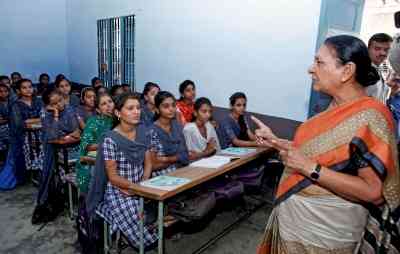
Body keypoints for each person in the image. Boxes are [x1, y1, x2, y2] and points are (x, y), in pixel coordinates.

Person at [255, 35, 400, 253]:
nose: (310, 69)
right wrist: (277, 141)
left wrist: (307, 167)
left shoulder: (371, 116)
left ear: (347, 71)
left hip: (325, 235)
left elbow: (373, 192)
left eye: (319, 62)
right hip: (294, 225)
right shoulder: (332, 108)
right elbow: (318, 153)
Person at [92, 93, 157, 248]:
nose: (137, 112)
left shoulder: (143, 131)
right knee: (138, 216)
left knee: (160, 209)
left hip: (142, 183)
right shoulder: (110, 139)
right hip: (119, 189)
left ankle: (148, 239)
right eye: (130, 108)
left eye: (138, 108)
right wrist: (134, 188)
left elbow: (148, 162)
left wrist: (143, 184)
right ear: (118, 113)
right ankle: (145, 242)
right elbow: (113, 177)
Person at [32, 89, 80, 224]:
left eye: (61, 100)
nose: (60, 104)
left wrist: (68, 134)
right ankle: (49, 199)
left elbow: (75, 130)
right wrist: (56, 115)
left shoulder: (69, 109)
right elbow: (51, 136)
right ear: (49, 105)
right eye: (55, 103)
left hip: (69, 146)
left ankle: (71, 193)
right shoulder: (44, 113)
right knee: (48, 173)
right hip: (51, 147)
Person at [76, 93, 114, 194]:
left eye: (110, 102)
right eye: (104, 104)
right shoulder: (93, 122)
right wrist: (107, 144)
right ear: (98, 110)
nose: (109, 105)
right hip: (91, 158)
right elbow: (87, 147)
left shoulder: (118, 120)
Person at [148, 91, 191, 177]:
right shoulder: (151, 131)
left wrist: (166, 159)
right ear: (157, 109)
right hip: (162, 177)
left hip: (183, 171)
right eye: (166, 106)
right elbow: (153, 165)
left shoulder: (177, 126)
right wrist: (178, 158)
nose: (171, 109)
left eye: (173, 105)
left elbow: (185, 155)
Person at [366, 33, 393, 103]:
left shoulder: (383, 69)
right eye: (377, 49)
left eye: (386, 50)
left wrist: (393, 90)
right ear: (368, 49)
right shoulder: (362, 70)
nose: (383, 53)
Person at [0, 83, 10, 163]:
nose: (3, 93)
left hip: (11, 131)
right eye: (0, 91)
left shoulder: (13, 103)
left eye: (5, 91)